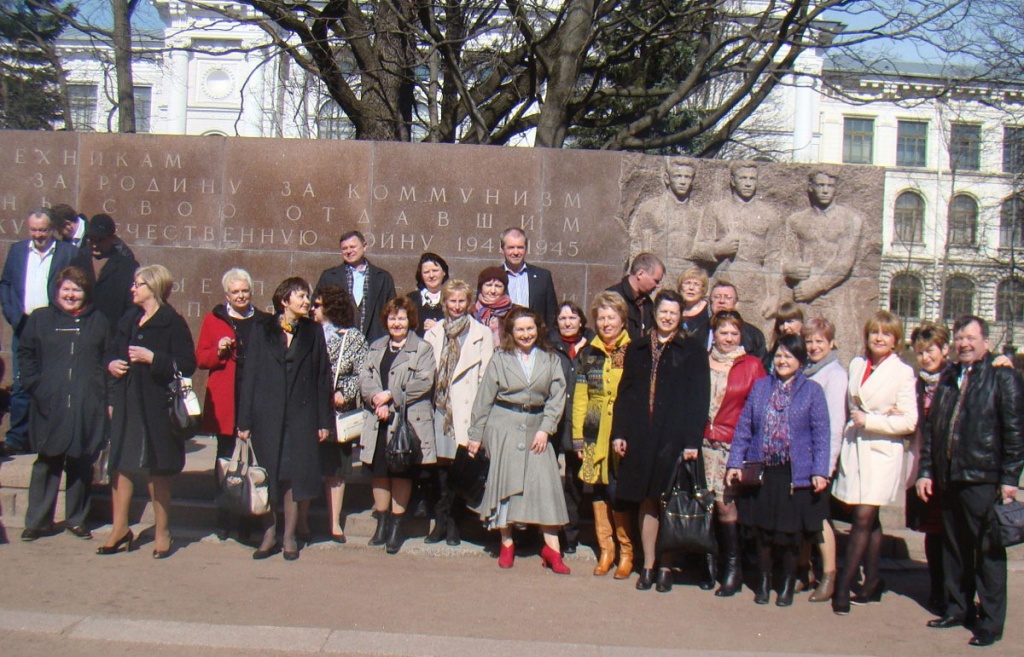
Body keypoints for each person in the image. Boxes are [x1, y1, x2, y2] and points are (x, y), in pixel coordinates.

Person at [916, 316, 1024, 648]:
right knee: (954, 550)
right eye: (960, 338)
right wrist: (926, 470)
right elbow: (934, 430)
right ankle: (957, 608)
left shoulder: (1002, 377)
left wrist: (1009, 478)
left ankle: (990, 623)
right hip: (950, 478)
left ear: (986, 343)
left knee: (987, 553)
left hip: (983, 478)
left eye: (971, 338)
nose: (964, 343)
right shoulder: (949, 378)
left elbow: (1016, 432)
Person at [611, 289, 711, 592]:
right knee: (648, 499)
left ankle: (667, 566)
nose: (668, 317)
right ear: (655, 313)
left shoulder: (691, 350)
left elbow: (699, 398)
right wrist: (619, 432)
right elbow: (625, 394)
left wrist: (693, 440)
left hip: (676, 437)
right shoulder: (638, 348)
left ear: (680, 316)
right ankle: (649, 564)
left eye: (674, 313)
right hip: (642, 434)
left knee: (670, 500)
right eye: (663, 311)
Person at [726, 334, 831, 607]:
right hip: (763, 472)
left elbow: (822, 435)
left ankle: (786, 584)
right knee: (762, 533)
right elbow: (744, 428)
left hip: (794, 475)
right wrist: (735, 462)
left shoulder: (812, 391)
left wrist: (820, 471)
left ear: (800, 361)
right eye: (780, 355)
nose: (783, 361)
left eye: (790, 356)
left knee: (790, 535)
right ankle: (763, 583)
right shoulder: (761, 387)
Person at [100, 265, 197, 558]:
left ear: (154, 288)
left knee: (159, 470)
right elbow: (111, 351)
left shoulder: (172, 322)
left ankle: (162, 531)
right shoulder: (129, 318)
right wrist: (111, 364)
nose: (133, 288)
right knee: (121, 465)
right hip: (127, 401)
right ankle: (119, 529)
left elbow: (187, 363)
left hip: (158, 406)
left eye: (138, 284)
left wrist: (154, 358)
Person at [467, 307, 570, 573]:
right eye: (520, 329)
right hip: (503, 426)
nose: (526, 334)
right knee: (505, 486)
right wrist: (475, 436)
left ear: (539, 329)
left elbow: (557, 397)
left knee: (545, 485)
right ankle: (507, 543)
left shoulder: (550, 359)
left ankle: (552, 548)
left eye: (530, 328)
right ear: (511, 332)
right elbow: (484, 398)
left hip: (537, 426)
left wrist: (546, 429)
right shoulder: (500, 358)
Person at [237, 277, 333, 562]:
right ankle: (269, 533)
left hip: (302, 418)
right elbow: (250, 376)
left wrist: (323, 421)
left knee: (294, 476)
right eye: (301, 296)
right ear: (284, 300)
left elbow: (322, 378)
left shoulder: (313, 332)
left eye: (307, 296)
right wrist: (244, 422)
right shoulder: (261, 330)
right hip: (267, 415)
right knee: (268, 474)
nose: (307, 302)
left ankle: (289, 535)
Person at [832, 310, 918, 615]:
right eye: (874, 333)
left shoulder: (902, 372)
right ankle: (873, 581)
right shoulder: (857, 364)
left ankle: (843, 585)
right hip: (856, 448)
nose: (879, 338)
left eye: (886, 334)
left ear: (895, 341)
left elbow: (909, 420)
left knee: (864, 516)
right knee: (868, 517)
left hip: (881, 452)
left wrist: (873, 420)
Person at [17, 267, 109, 541]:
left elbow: (107, 359)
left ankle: (77, 519)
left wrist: (100, 394)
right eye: (66, 289)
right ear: (57, 291)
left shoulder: (99, 321)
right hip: (50, 402)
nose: (71, 295)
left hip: (86, 403)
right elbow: (26, 354)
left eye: (76, 290)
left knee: (81, 462)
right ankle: (38, 520)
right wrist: (36, 385)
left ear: (85, 293)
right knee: (47, 461)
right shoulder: (40, 319)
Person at [195, 268, 272, 540]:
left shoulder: (264, 321)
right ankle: (226, 514)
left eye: (245, 291)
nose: (241, 296)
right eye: (235, 292)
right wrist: (217, 351)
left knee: (253, 459)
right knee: (226, 458)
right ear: (226, 294)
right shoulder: (214, 319)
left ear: (252, 292)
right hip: (227, 398)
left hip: (255, 396)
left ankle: (250, 516)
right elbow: (201, 359)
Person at [358, 297, 436, 554]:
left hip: (406, 422)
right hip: (378, 420)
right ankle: (381, 523)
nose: (397, 323)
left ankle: (396, 526)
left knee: (400, 473)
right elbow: (366, 377)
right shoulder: (376, 346)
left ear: (410, 320)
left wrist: (389, 396)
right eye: (392, 318)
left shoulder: (422, 348)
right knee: (379, 472)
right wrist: (374, 399)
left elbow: (424, 382)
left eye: (401, 318)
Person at [0, 207, 77, 456]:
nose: (38, 235)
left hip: (55, 326)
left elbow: (78, 286)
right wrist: (13, 315)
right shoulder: (17, 251)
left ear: (51, 229)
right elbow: (7, 284)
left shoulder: (67, 253)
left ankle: (51, 435)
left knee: (54, 381)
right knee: (22, 382)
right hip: (24, 325)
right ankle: (17, 436)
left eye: (42, 230)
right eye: (33, 230)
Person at [423, 280, 494, 545]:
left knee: (459, 469)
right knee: (440, 470)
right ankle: (440, 523)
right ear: (444, 303)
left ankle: (454, 524)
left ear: (469, 303)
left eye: (461, 301)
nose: (456, 306)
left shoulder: (481, 333)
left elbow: (486, 377)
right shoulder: (434, 333)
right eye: (452, 301)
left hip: (465, 412)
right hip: (440, 410)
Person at [702, 310, 766, 595]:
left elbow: (759, 412)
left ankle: (733, 569)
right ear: (714, 333)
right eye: (723, 332)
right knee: (707, 505)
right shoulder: (703, 362)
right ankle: (709, 565)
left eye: (733, 333)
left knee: (727, 505)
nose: (728, 339)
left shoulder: (751, 365)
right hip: (703, 443)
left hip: (732, 444)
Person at [779, 170, 871, 360]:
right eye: (821, 185)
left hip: (835, 296)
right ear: (811, 187)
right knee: (801, 350)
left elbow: (844, 263)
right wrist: (792, 269)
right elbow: (785, 259)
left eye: (830, 186)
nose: (825, 190)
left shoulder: (851, 219)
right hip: (803, 298)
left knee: (840, 351)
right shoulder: (795, 220)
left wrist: (815, 286)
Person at [573, 291, 633, 577]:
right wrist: (579, 438)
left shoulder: (634, 350)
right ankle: (605, 550)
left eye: (612, 317)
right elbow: (581, 397)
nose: (606, 323)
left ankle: (626, 552)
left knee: (618, 490)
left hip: (622, 426)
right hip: (594, 425)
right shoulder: (589, 352)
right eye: (601, 318)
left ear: (622, 319)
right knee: (596, 487)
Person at [311, 284, 369, 543]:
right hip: (310, 408)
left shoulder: (352, 336)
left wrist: (345, 392)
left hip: (336, 410)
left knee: (336, 468)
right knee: (309, 464)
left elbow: (362, 371)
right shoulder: (308, 334)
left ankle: (334, 523)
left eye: (318, 304)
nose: (312, 308)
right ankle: (301, 521)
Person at [800, 317, 848, 602]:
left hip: (819, 458)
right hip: (802, 455)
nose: (814, 346)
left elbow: (834, 424)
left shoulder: (834, 373)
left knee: (819, 518)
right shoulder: (809, 369)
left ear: (831, 343)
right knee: (804, 516)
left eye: (819, 341)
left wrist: (825, 466)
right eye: (809, 341)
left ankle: (829, 574)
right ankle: (804, 572)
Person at [906, 322, 951, 615]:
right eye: (920, 352)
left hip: (949, 467)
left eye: (930, 351)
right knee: (933, 534)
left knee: (951, 535)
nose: (925, 358)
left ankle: (953, 593)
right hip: (925, 465)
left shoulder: (953, 379)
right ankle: (938, 589)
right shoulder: (919, 382)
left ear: (945, 350)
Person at [697, 164, 781, 321]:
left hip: (755, 287)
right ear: (733, 180)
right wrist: (717, 249)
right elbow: (697, 249)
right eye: (743, 178)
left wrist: (774, 295)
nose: (748, 183)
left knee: (753, 337)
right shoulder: (716, 209)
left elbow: (774, 258)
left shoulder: (769, 215)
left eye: (752, 179)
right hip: (723, 282)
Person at [550, 300, 593, 554]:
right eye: (563, 318)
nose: (567, 322)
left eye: (572, 318)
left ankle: (570, 535)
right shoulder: (548, 347)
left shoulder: (592, 348)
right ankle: (545, 532)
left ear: (581, 321)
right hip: (553, 421)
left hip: (580, 424)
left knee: (574, 484)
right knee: (547, 479)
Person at [628, 158, 706, 283]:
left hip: (687, 279)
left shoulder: (698, 214)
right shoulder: (650, 208)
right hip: (658, 278)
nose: (682, 181)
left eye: (687, 177)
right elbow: (637, 247)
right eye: (678, 176)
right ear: (666, 178)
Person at [315, 230, 396, 342]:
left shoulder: (383, 278)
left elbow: (392, 311)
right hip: (339, 344)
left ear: (364, 246)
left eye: (352, 247)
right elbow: (315, 308)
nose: (349, 251)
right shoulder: (329, 277)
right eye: (344, 248)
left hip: (375, 344)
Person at [70, 214, 139, 327]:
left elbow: (132, 305)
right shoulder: (77, 263)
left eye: (100, 240)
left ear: (112, 239)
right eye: (91, 240)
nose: (95, 245)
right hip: (82, 329)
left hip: (113, 329)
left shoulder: (127, 267)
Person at [499, 227, 557, 327]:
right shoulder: (492, 278)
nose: (516, 252)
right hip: (504, 340)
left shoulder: (543, 277)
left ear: (526, 249)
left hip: (537, 339)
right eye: (511, 247)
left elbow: (552, 316)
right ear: (502, 249)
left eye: (520, 247)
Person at [605, 253, 664, 340]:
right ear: (640, 274)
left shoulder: (648, 304)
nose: (657, 286)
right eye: (656, 281)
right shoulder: (611, 297)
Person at [709, 281, 766, 360]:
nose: (721, 301)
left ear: (736, 303)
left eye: (727, 297)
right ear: (710, 302)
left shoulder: (754, 335)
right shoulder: (698, 332)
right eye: (717, 297)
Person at [406, 252, 449, 336]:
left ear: (444, 272)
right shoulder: (410, 299)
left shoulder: (452, 298)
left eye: (435, 270)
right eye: (426, 272)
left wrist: (439, 327)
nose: (431, 275)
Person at [473, 266, 515, 347]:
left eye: (498, 286)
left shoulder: (515, 312)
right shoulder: (471, 311)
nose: (493, 291)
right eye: (488, 285)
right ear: (481, 287)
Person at [762, 302, 804, 373]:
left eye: (790, 322)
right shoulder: (775, 348)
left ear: (801, 321)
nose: (785, 327)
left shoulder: (809, 346)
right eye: (781, 323)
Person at [677, 266, 711, 347]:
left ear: (703, 289)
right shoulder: (676, 309)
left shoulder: (709, 311)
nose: (691, 288)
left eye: (696, 284)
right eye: (687, 283)